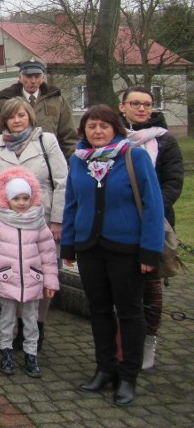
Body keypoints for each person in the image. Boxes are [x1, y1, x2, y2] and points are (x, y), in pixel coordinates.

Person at [62, 105, 165, 407]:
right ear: (84, 131)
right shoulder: (78, 160)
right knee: (99, 310)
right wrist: (68, 243)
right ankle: (105, 367)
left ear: (115, 129)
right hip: (90, 247)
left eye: (104, 126)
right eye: (91, 126)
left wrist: (150, 250)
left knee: (130, 311)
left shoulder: (133, 156)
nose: (97, 131)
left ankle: (128, 374)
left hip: (126, 247)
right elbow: (71, 202)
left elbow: (153, 204)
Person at [0, 97, 68, 349]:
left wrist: (57, 220)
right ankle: (17, 327)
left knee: (39, 273)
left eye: (21, 115)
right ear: (4, 121)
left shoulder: (46, 141)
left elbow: (62, 181)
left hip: (41, 220)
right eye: (11, 116)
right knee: (12, 273)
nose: (17, 120)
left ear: (30, 116)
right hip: (5, 222)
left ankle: (37, 326)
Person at [119, 86, 184, 369]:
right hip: (120, 221)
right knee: (122, 281)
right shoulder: (113, 137)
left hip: (154, 222)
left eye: (147, 104)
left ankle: (149, 339)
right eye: (135, 103)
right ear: (122, 107)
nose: (142, 109)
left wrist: (151, 210)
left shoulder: (165, 140)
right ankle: (122, 342)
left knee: (152, 283)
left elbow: (173, 180)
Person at [0, 167, 59, 378]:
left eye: (26, 198)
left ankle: (31, 354)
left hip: (32, 280)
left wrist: (50, 282)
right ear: (7, 199)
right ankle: (5, 352)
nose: (22, 203)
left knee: (31, 322)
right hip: (8, 279)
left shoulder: (38, 221)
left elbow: (48, 254)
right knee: (7, 320)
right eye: (17, 198)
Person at [0, 59, 78, 158]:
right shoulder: (5, 100)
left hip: (49, 157)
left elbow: (68, 134)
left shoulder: (56, 99)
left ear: (43, 77)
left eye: (37, 76)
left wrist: (72, 160)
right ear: (20, 77)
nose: (33, 81)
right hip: (16, 157)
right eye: (29, 76)